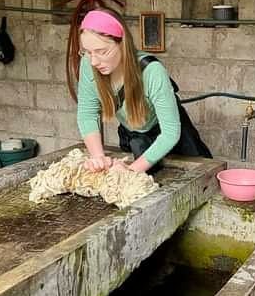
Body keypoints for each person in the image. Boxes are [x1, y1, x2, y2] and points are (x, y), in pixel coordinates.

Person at [74, 9, 211, 174]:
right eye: (88, 52)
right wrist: (98, 157)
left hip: (171, 135)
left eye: (102, 52)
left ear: (122, 44)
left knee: (194, 180)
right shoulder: (88, 64)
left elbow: (170, 133)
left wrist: (131, 172)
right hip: (134, 135)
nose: (94, 61)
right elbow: (87, 114)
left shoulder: (152, 71)